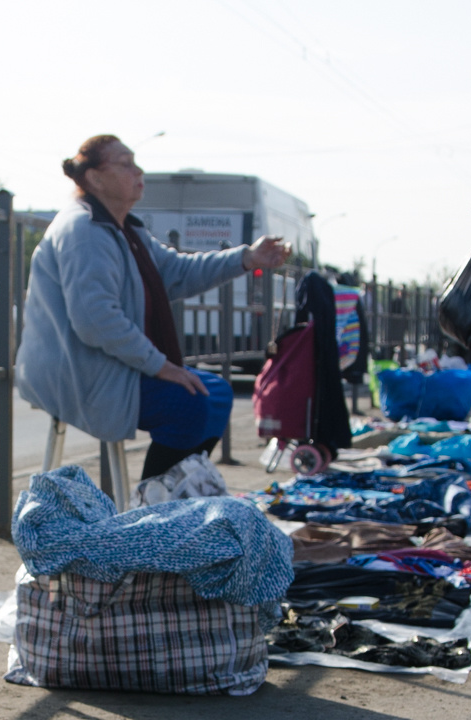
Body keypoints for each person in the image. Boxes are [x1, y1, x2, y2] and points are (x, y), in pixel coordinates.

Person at [16, 135, 289, 481]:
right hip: (76, 371)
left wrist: (247, 258)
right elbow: (94, 320)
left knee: (217, 395)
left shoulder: (124, 230)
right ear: (95, 178)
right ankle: (151, 515)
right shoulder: (83, 230)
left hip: (107, 364)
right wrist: (160, 366)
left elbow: (177, 272)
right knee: (188, 405)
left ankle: (171, 503)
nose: (138, 171)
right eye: (125, 164)